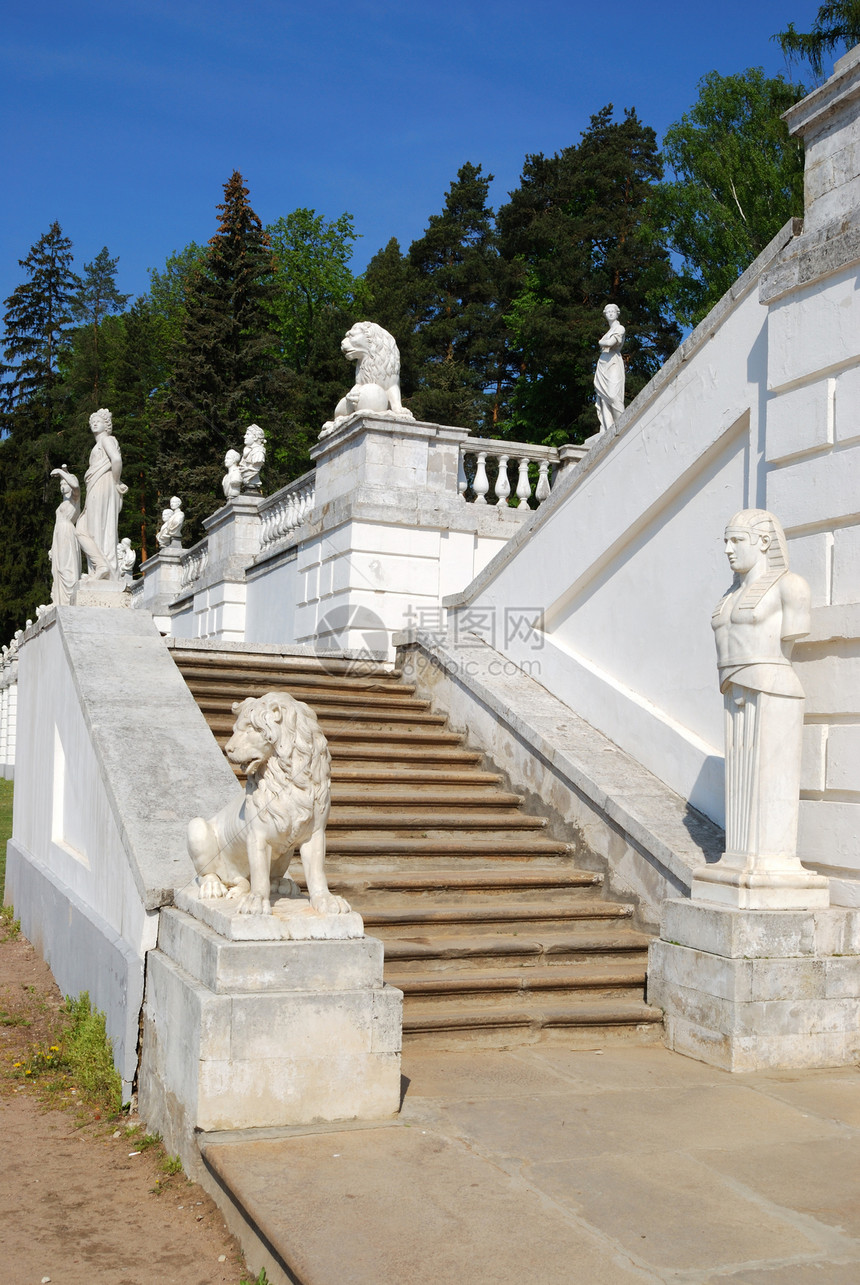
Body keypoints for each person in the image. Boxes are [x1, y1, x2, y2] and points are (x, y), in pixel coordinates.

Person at [710, 509, 810, 868]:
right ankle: (736, 861)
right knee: (739, 796)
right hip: (734, 687)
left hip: (773, 689)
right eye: (726, 540)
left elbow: (793, 634)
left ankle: (770, 865)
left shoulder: (790, 586)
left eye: (737, 540)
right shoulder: (730, 594)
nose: (727, 549)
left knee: (765, 791)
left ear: (764, 542)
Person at [76, 409, 127, 578]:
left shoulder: (107, 440)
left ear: (107, 425)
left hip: (104, 483)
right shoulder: (98, 444)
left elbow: (117, 460)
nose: (94, 423)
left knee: (93, 527)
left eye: (98, 421)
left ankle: (102, 569)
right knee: (85, 528)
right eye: (92, 422)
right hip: (97, 485)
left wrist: (115, 481)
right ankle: (101, 566)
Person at [49, 466, 81, 605]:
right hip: (58, 535)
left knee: (66, 567)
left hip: (67, 533)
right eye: (61, 484)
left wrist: (61, 472)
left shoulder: (75, 498)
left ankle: (69, 597)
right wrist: (52, 547)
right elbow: (57, 523)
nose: (62, 487)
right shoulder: (63, 503)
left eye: (65, 484)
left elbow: (76, 486)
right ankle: (59, 599)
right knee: (57, 568)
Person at [593, 303, 625, 433]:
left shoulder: (620, 328)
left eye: (613, 311)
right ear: (605, 315)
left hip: (613, 362)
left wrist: (601, 342)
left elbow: (611, 343)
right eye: (608, 312)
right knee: (603, 397)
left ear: (617, 313)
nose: (611, 313)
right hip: (603, 364)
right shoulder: (608, 332)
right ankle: (608, 427)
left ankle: (622, 424)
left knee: (613, 395)